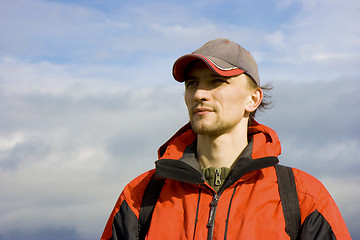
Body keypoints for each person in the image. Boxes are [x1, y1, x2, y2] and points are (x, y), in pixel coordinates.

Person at [101, 38, 351, 239]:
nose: (199, 93)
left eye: (217, 82)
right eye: (192, 83)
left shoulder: (302, 198)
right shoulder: (140, 196)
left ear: (253, 99)